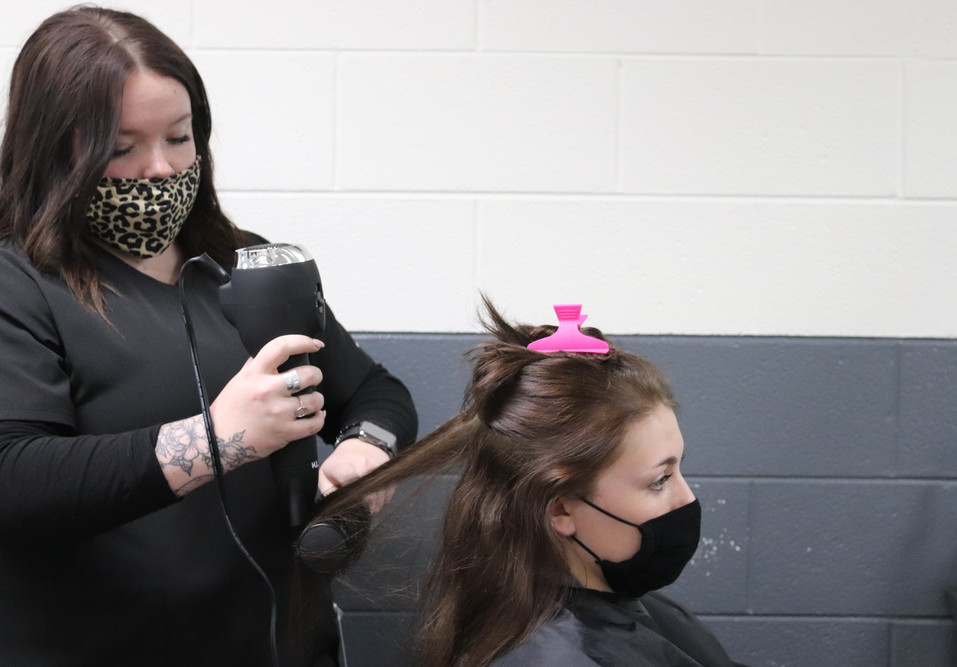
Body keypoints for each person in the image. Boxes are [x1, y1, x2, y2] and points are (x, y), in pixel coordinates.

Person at [0, 6, 416, 666]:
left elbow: (374, 391)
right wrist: (216, 438)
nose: (161, 168)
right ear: (53, 147)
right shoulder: (18, 280)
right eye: (121, 146)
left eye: (179, 136)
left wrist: (367, 449)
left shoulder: (250, 264)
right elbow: (15, 478)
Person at [297, 300, 743, 666]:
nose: (688, 499)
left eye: (679, 469)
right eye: (660, 480)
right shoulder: (554, 655)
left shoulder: (636, 615)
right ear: (561, 509)